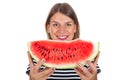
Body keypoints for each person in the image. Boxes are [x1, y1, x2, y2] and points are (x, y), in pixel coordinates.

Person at [26, 2, 101, 80]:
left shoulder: (89, 63)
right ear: (48, 27)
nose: (62, 31)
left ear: (75, 28)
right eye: (55, 25)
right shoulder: (37, 62)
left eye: (68, 24)